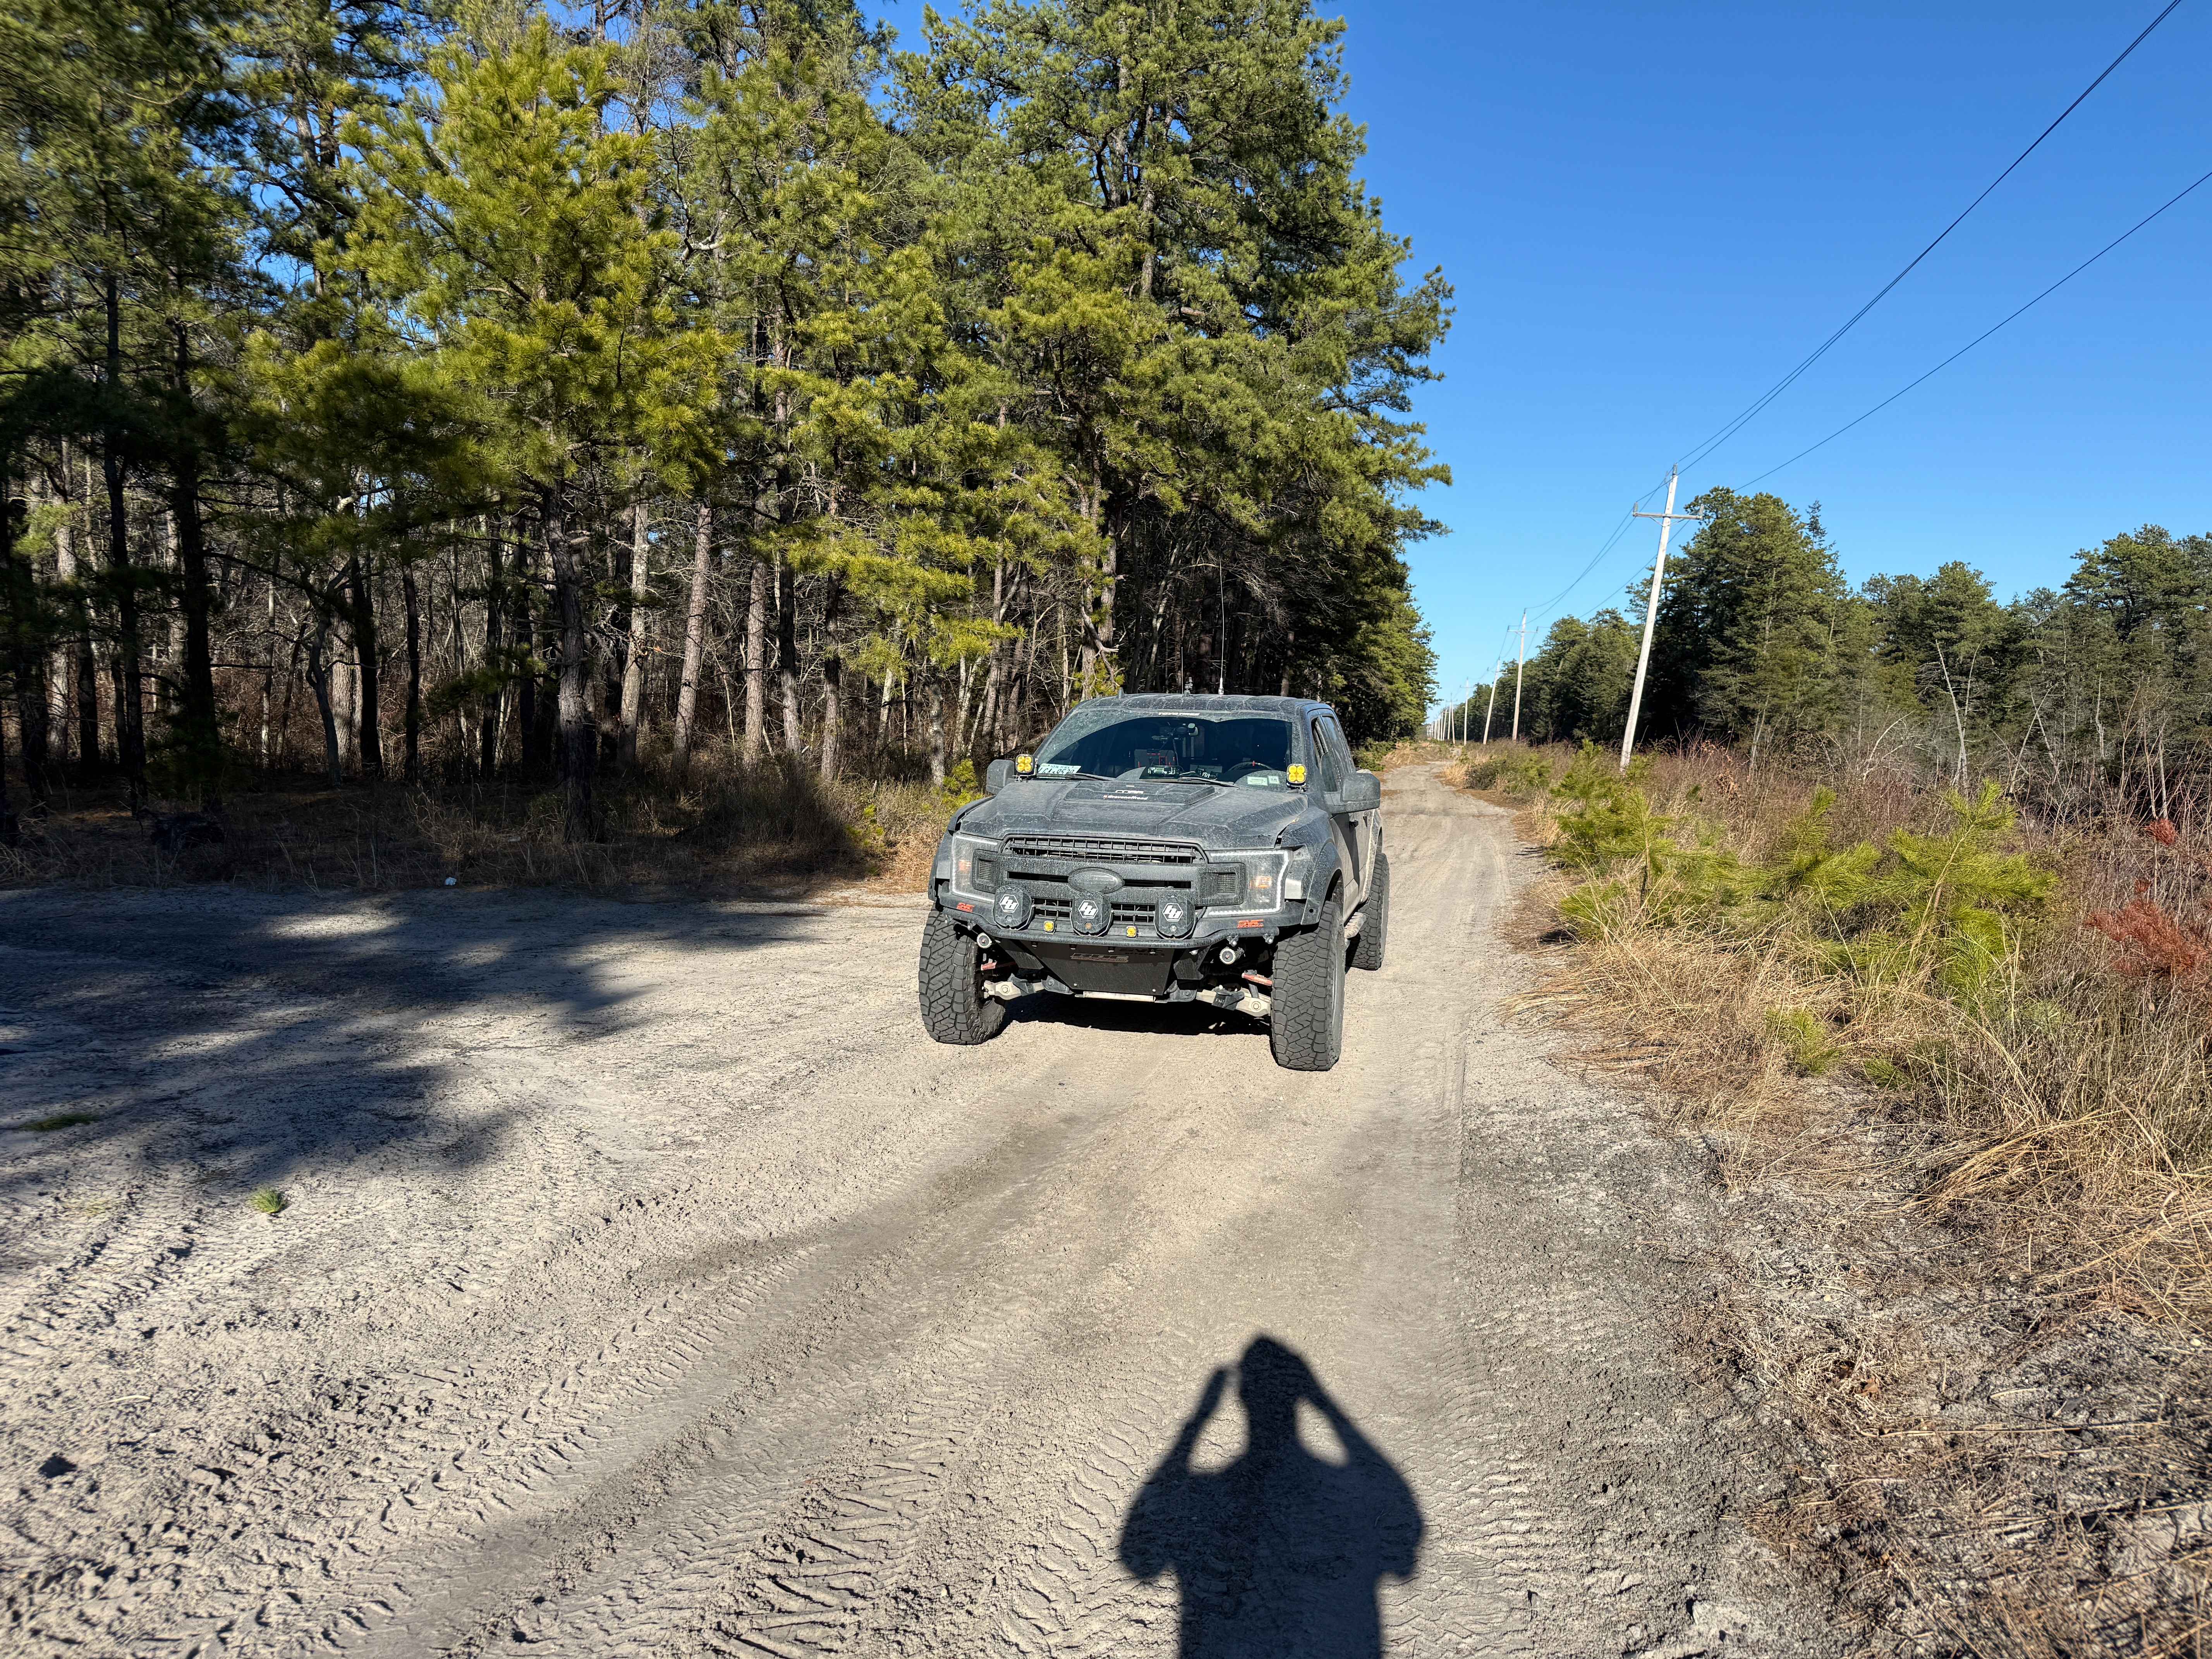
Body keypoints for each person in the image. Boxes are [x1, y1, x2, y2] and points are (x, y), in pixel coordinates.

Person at [1120, 1336, 1424, 1657]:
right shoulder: (1341, 1490)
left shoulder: (1204, 1492)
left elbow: (1138, 1557)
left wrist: (1197, 1423)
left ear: (1242, 1399)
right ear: (1297, 1404)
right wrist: (1326, 1405)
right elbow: (1399, 1519)